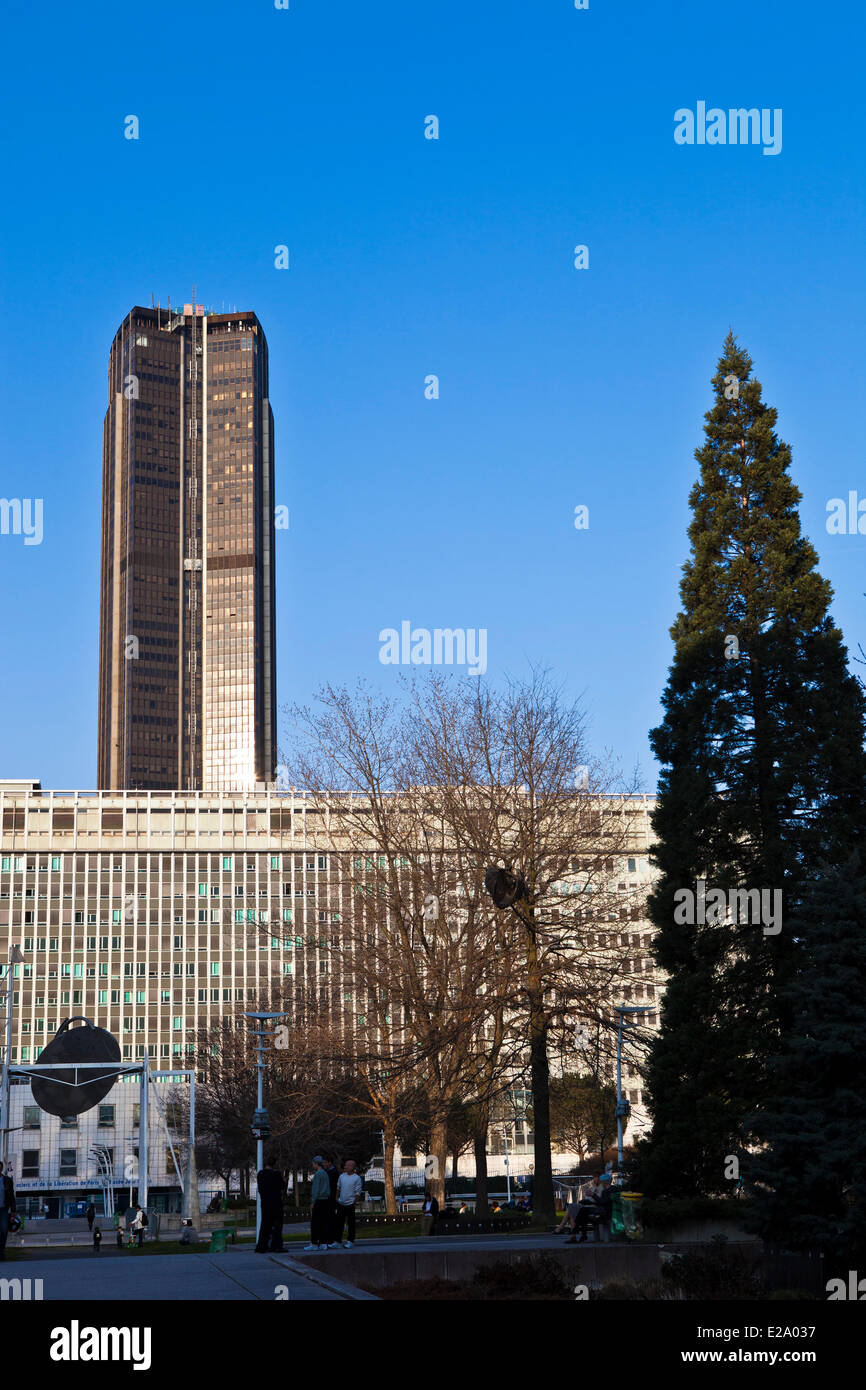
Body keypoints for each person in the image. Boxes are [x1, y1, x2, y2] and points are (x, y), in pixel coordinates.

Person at [255, 1156, 286, 1253]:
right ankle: (276, 1245)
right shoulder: (276, 1174)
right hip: (276, 1202)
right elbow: (282, 1186)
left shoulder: (260, 1174)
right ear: (274, 1164)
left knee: (265, 1224)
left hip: (265, 1202)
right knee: (277, 1225)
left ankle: (262, 1245)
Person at [304, 1156, 331, 1251]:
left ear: (316, 1163)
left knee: (315, 1223)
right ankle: (323, 1243)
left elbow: (315, 1189)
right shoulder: (325, 1173)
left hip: (319, 1200)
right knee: (324, 1222)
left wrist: (313, 1201)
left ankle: (314, 1243)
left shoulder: (318, 1174)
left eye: (313, 1163)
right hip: (326, 1200)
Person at [334, 1160, 363, 1248]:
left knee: (351, 1224)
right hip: (341, 1203)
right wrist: (337, 1198)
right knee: (339, 1224)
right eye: (345, 1165)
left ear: (352, 1167)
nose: (345, 1167)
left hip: (350, 1204)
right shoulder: (342, 1176)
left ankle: (350, 1241)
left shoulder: (357, 1178)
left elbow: (358, 1192)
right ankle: (338, 1241)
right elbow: (338, 1188)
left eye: (347, 1165)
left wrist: (354, 1202)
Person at [0, 1161, 16, 1262]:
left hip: (3, 1209)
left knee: (4, 1230)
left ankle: (1, 1252)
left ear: (1, 1169)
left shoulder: (7, 1180)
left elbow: (11, 1196)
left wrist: (13, 1211)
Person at [322, 1157, 339, 1248]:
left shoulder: (334, 1173)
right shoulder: (328, 1172)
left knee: (331, 1219)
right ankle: (329, 1238)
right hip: (328, 1199)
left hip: (330, 1199)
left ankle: (331, 1238)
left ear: (330, 1163)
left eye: (325, 1162)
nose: (323, 1164)